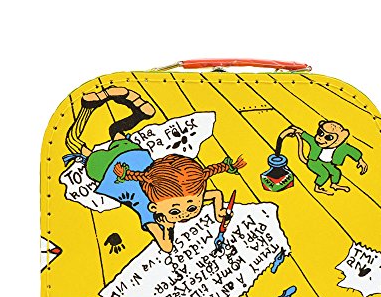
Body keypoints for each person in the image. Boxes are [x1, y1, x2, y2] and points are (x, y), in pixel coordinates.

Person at [64, 86, 246, 252]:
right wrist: (168, 227)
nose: (184, 214)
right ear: (153, 206)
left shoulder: (172, 200)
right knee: (73, 141)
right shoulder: (151, 213)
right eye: (175, 212)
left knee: (116, 134)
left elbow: (214, 195)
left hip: (133, 154)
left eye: (191, 208)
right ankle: (87, 107)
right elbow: (167, 247)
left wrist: (219, 213)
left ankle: (134, 114)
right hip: (107, 170)